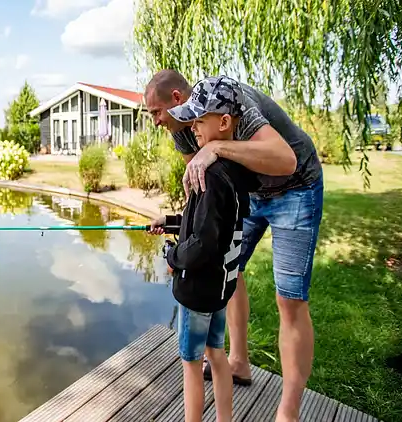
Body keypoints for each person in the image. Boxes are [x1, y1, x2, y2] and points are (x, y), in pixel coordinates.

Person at [145, 70, 324, 422]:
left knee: (289, 299)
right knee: (232, 267)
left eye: (156, 112)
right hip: (250, 193)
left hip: (296, 186)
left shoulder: (232, 99)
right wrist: (172, 223)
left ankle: (289, 412)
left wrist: (216, 147)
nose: (155, 121)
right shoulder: (185, 128)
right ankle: (238, 361)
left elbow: (284, 160)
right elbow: (204, 199)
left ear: (179, 100)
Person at [153, 76, 259, 422]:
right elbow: (209, 224)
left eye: (200, 120)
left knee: (191, 365)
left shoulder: (209, 175)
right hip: (220, 290)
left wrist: (173, 257)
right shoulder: (235, 171)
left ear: (224, 122)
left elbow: (201, 244)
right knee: (217, 353)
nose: (193, 127)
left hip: (197, 292)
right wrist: (170, 221)